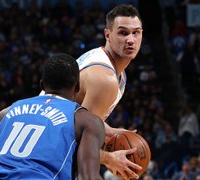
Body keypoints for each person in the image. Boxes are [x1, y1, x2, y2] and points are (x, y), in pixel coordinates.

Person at [0, 53, 105, 179]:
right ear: (77, 87)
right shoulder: (86, 120)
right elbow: (88, 177)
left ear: (42, 85)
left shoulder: (5, 113)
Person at [76, 3, 143, 179]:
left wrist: (108, 130)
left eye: (136, 32)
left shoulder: (117, 73)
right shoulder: (104, 77)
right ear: (108, 35)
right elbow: (73, 140)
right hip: (42, 155)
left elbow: (76, 113)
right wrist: (110, 159)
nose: (131, 39)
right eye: (123, 32)